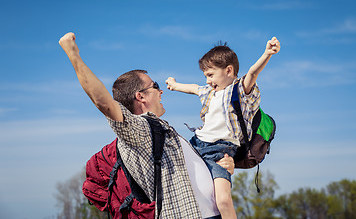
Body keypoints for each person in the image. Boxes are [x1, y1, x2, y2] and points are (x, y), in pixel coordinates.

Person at [58, 32, 235, 219]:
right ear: (140, 96)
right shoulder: (139, 130)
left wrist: (224, 165)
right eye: (155, 85)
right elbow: (103, 103)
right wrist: (73, 54)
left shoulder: (160, 129)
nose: (161, 91)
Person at [166, 37, 281, 219]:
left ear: (228, 70)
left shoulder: (240, 92)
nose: (208, 80)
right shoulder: (209, 92)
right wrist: (174, 85)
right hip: (196, 144)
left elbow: (252, 73)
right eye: (205, 76)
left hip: (221, 152)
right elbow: (194, 88)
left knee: (223, 201)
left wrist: (267, 54)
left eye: (210, 75)